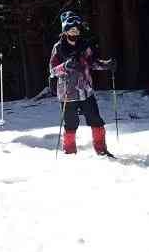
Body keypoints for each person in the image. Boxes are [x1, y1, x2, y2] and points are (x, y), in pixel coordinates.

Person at [49, 11, 116, 156]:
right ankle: (70, 152)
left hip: (86, 91)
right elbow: (52, 70)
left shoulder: (84, 45)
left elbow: (92, 62)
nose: (75, 31)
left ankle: (101, 150)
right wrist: (66, 65)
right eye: (71, 29)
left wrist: (106, 65)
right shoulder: (58, 48)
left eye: (77, 29)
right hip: (68, 94)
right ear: (65, 30)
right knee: (71, 125)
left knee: (96, 120)